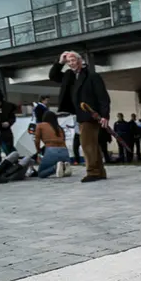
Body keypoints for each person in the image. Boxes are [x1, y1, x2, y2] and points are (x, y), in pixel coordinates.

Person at [49, 51, 110, 182]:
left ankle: (93, 172)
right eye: (69, 61)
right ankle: (99, 172)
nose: (71, 63)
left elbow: (103, 97)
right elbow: (53, 76)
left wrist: (105, 116)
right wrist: (60, 62)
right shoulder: (69, 76)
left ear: (80, 60)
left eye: (73, 60)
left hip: (91, 114)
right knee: (92, 144)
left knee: (87, 143)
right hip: (80, 114)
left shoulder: (92, 76)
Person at [34, 110, 72, 178]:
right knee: (58, 162)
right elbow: (64, 141)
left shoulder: (40, 125)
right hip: (64, 152)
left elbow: (37, 140)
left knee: (41, 173)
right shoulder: (59, 128)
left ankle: (55, 167)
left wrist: (38, 153)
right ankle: (64, 166)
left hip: (51, 150)